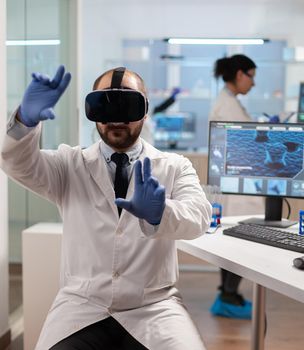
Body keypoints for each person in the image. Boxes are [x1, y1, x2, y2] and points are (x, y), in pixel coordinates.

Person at [1, 65, 212, 350]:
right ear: (93, 110)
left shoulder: (174, 166)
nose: (117, 118)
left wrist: (161, 212)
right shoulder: (69, 165)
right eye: (105, 104)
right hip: (82, 305)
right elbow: (17, 163)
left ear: (146, 110)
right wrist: (24, 122)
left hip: (153, 306)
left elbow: (199, 217)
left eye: (129, 104)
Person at [208, 54, 263, 320]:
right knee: (239, 243)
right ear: (240, 74)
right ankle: (228, 297)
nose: (253, 82)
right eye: (251, 76)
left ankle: (228, 294)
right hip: (237, 189)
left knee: (236, 241)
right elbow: (247, 143)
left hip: (237, 186)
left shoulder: (229, 102)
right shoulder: (227, 105)